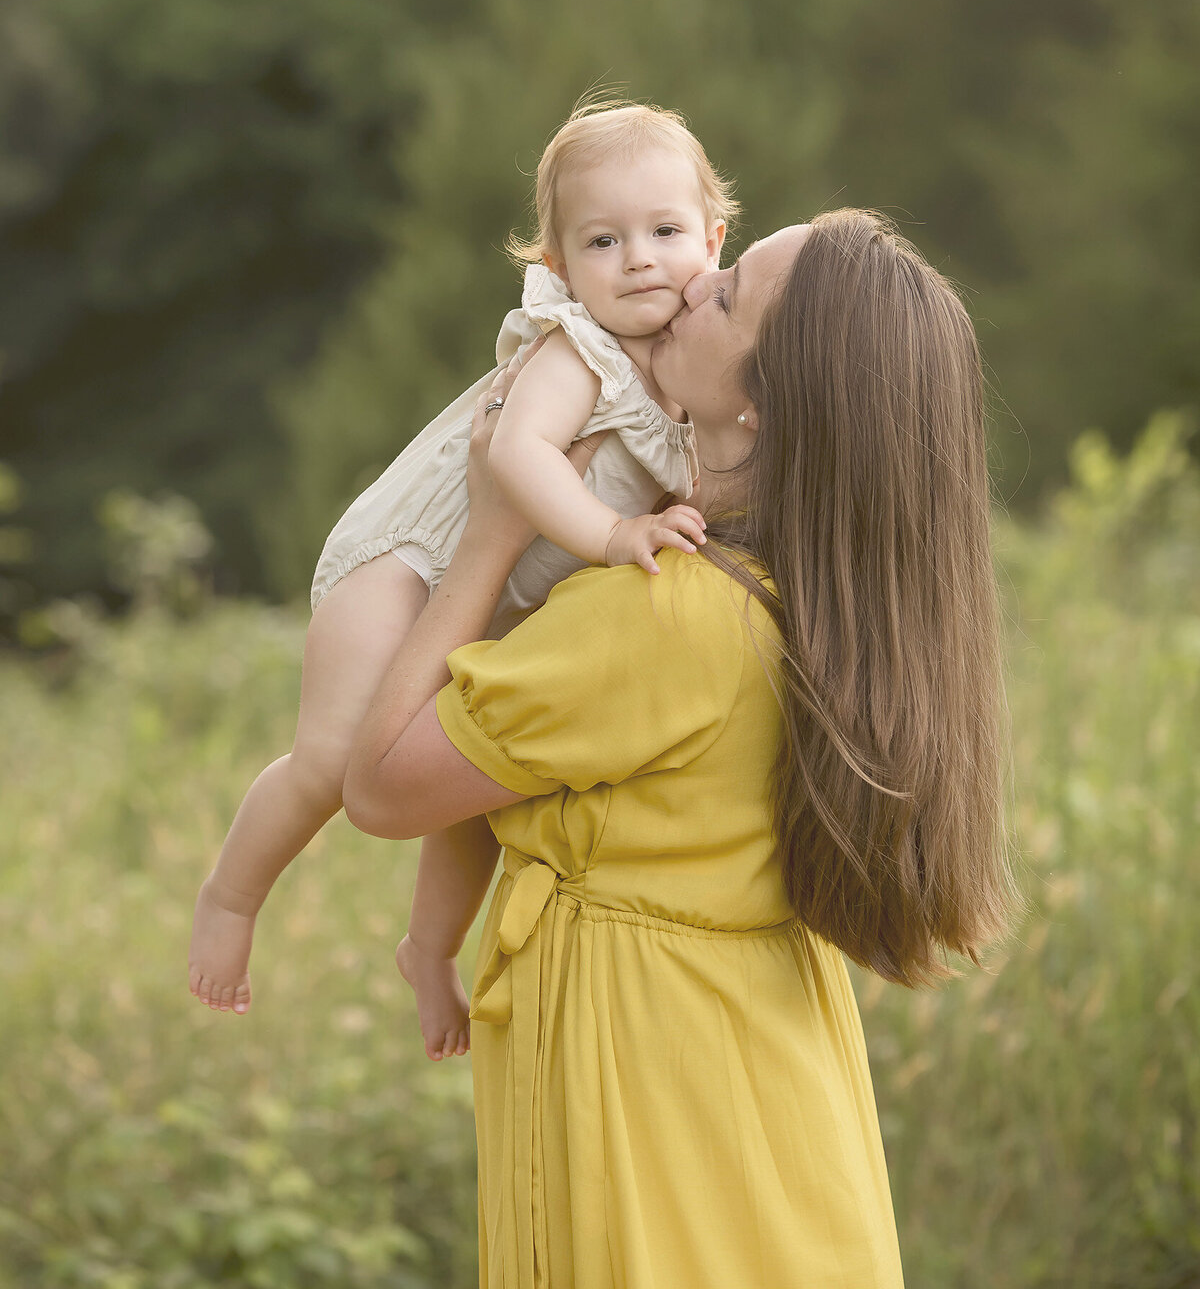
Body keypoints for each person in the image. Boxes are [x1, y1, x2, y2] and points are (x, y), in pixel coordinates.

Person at [343, 208, 1017, 1289]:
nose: (689, 279)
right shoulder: (826, 608)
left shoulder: (665, 616)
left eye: (729, 288)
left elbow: (376, 785)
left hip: (650, 1120)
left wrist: (491, 528)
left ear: (758, 405)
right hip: (772, 1114)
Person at [188, 101, 736, 1032]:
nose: (639, 258)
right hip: (408, 562)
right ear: (558, 268)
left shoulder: (693, 378)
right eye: (603, 241)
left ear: (714, 239)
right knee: (331, 758)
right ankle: (231, 899)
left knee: (477, 791)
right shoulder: (581, 350)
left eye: (666, 231)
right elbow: (517, 457)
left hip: (493, 607)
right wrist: (611, 535)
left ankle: (430, 950)